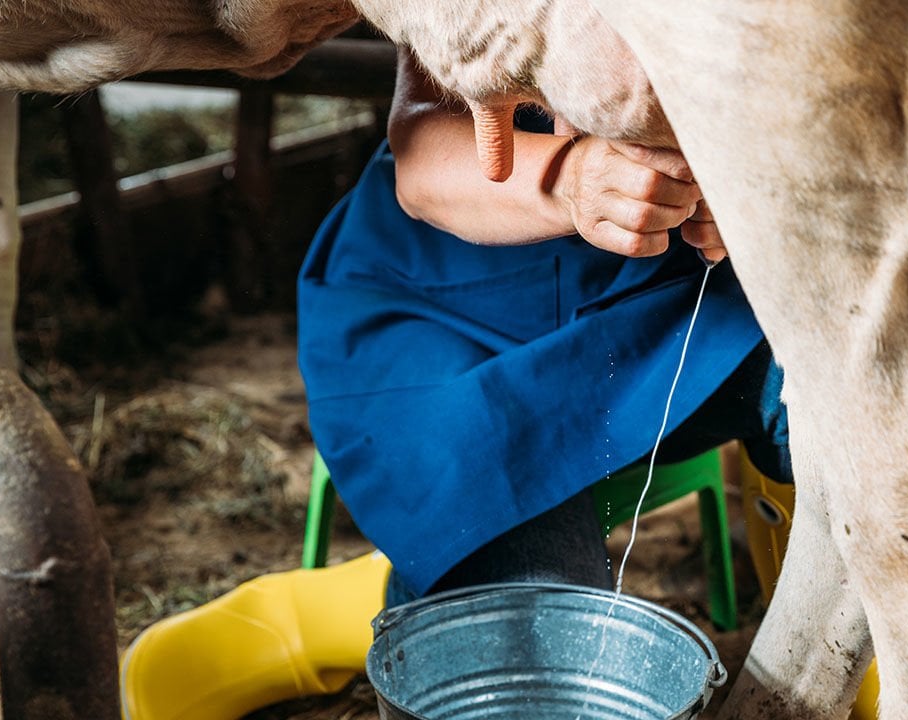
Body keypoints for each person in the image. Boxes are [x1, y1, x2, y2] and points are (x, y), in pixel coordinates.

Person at [297, 50, 792, 605]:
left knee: (844, 394)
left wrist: (750, 190)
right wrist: (572, 180)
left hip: (674, 299)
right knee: (534, 641)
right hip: (449, 308)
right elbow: (422, 145)